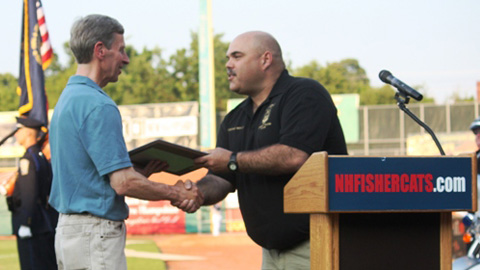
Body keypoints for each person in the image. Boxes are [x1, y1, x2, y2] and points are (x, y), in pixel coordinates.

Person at [176, 31, 348, 269]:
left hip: (315, 244)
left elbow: (294, 156)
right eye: (228, 58)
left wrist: (233, 160)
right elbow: (222, 178)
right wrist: (196, 192)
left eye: (236, 56)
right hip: (270, 253)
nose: (228, 65)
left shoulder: (304, 93)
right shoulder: (234, 118)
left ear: (265, 60)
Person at [48, 14, 202, 270]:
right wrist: (175, 192)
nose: (126, 59)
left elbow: (87, 177)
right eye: (121, 50)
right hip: (95, 232)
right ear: (100, 50)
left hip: (68, 231)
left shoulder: (67, 99)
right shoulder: (98, 104)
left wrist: (138, 173)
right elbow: (123, 182)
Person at [7, 117, 58, 269]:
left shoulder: (29, 160)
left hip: (33, 225)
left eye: (19, 130)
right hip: (43, 223)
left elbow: (30, 194)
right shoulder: (40, 157)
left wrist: (25, 222)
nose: (16, 135)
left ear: (28, 133)